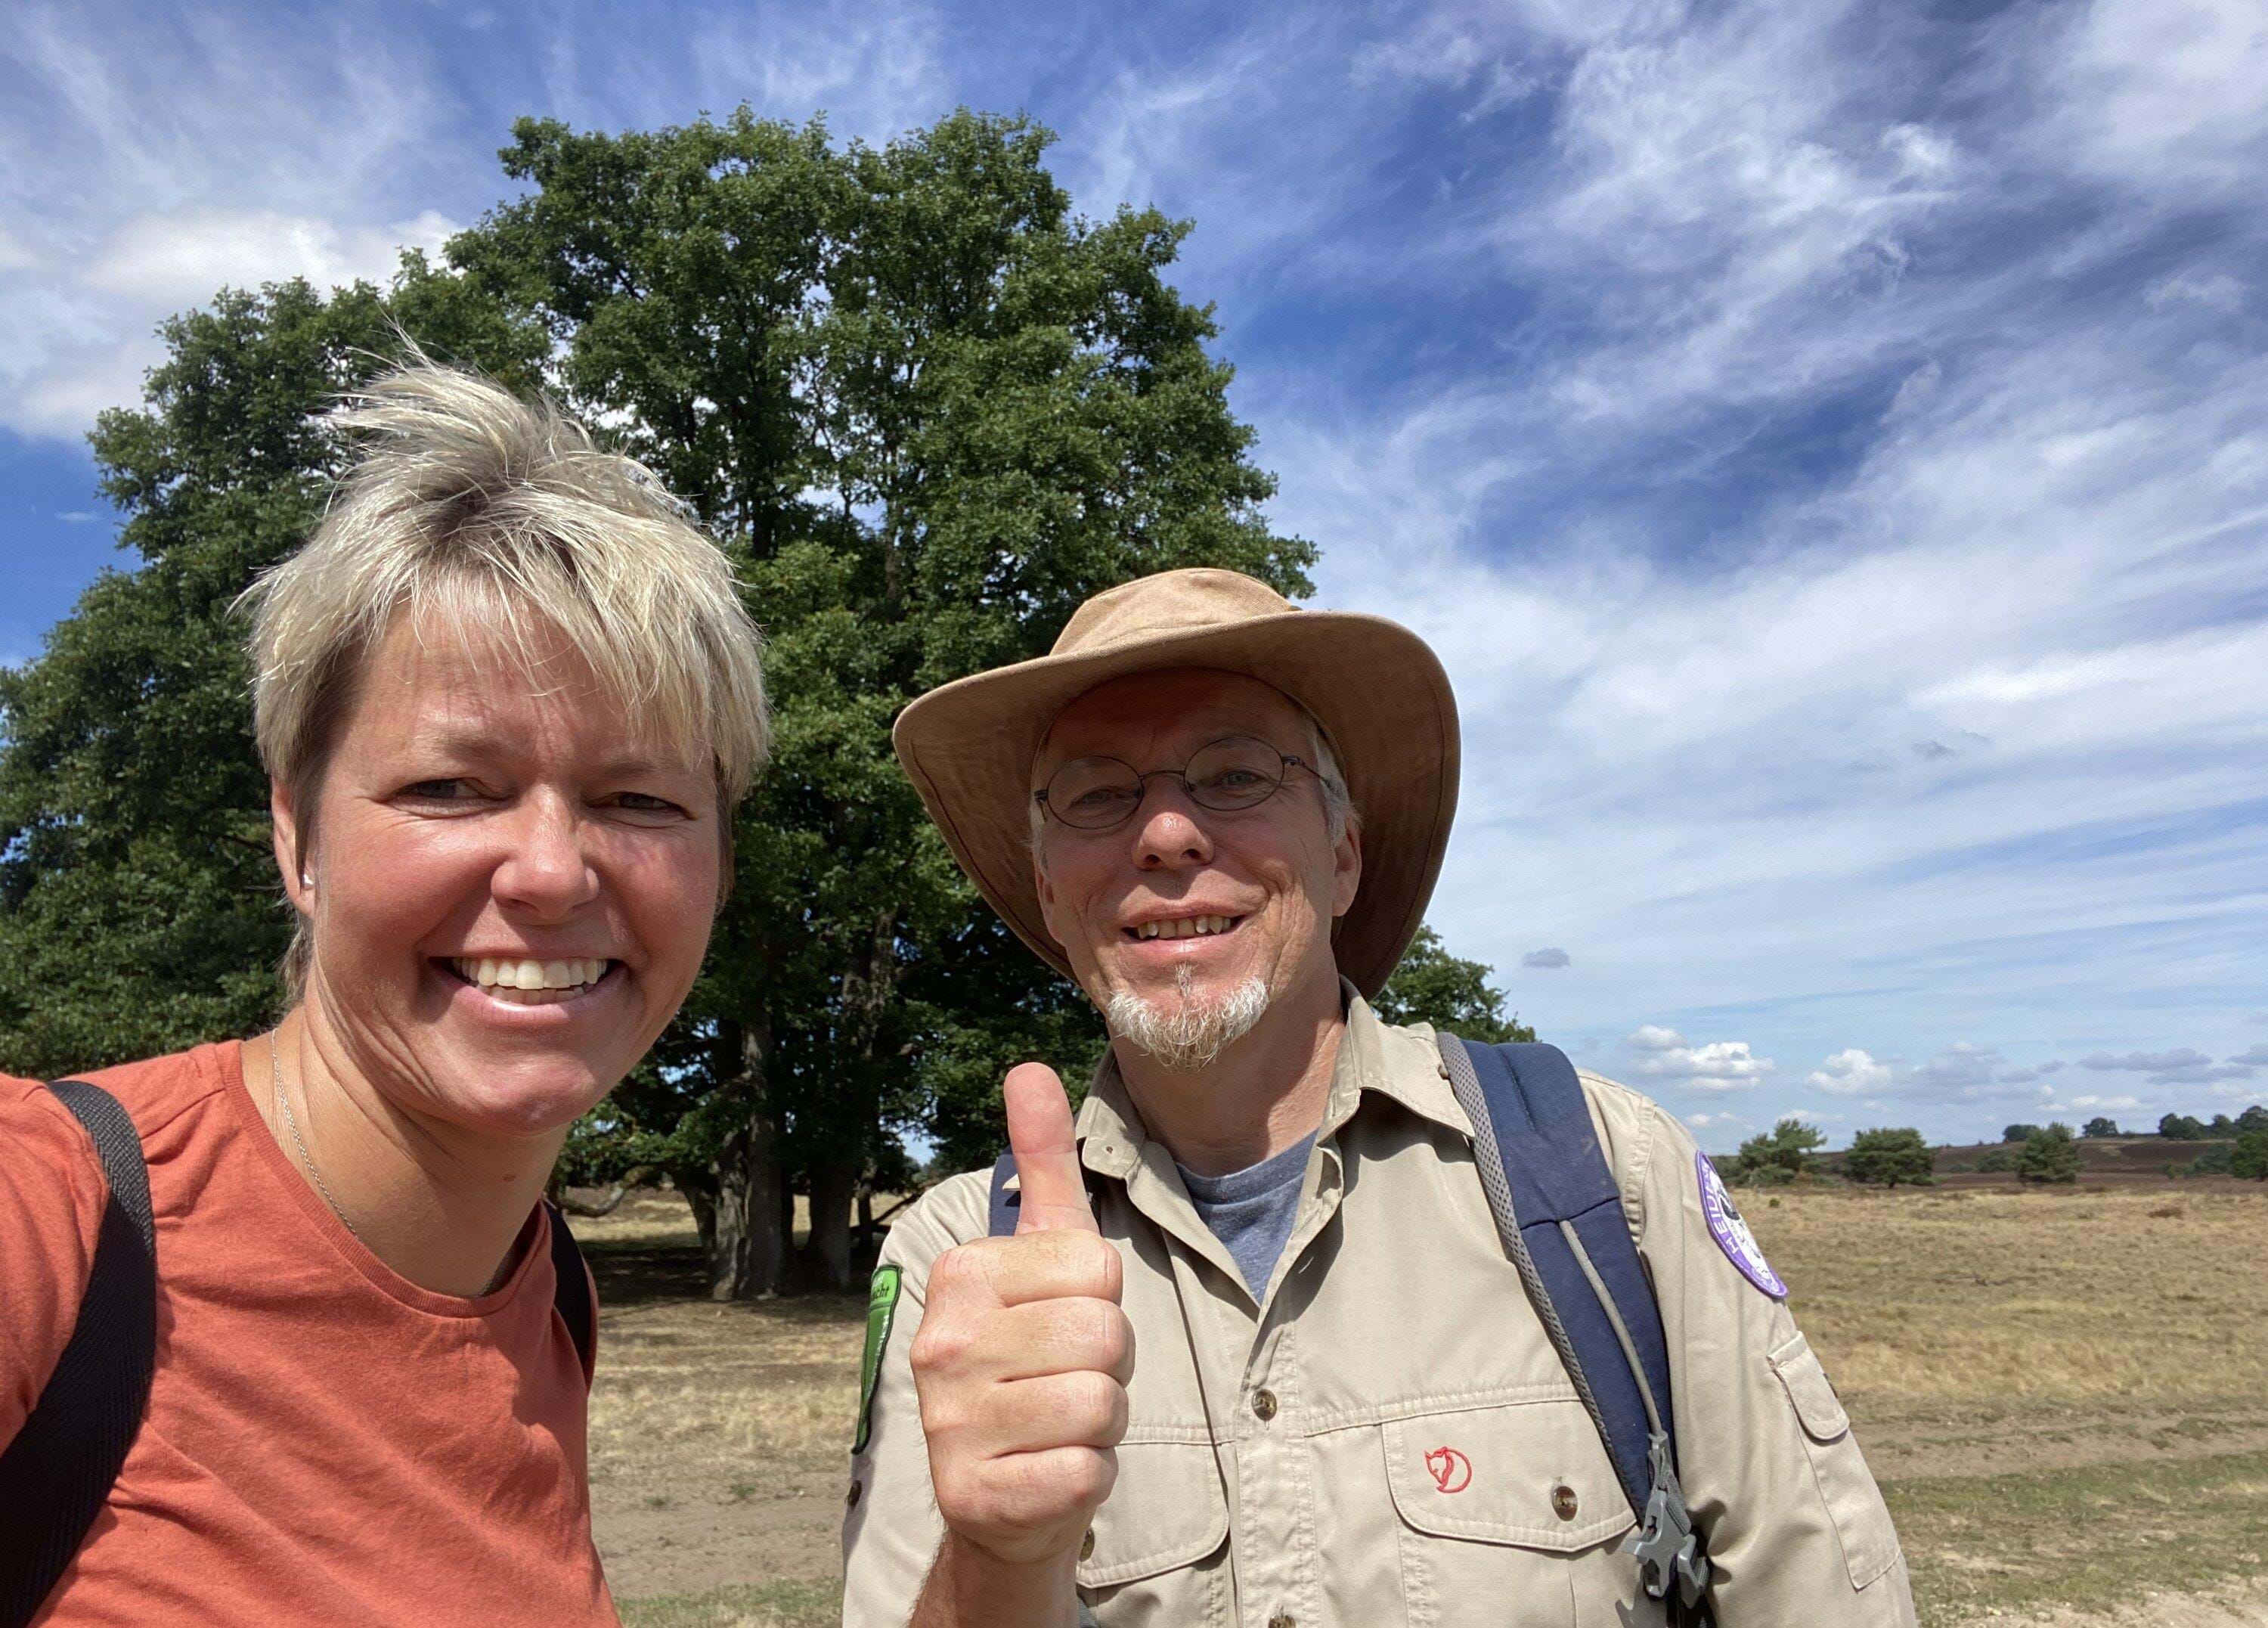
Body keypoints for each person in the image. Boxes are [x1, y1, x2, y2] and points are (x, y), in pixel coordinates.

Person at [843, 567, 1916, 1624]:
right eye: (1095, 793)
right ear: (1048, 891)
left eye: (1234, 775)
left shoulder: (1603, 1173)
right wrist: (994, 1559)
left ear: (1344, 855)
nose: (1166, 833)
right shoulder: (959, 1264)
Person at [0, 361, 768, 1625]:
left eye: (642, 799)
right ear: (298, 838)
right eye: (450, 787)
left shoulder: (548, 1301)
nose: (551, 868)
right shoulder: (52, 1219)